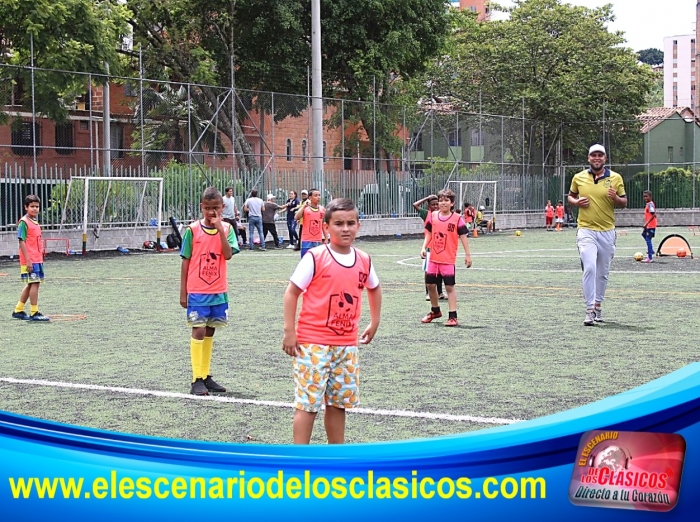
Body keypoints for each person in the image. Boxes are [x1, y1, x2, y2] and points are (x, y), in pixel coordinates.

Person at [282, 198, 381, 444]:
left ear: (358, 225)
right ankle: (300, 461)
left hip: (347, 346)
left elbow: (374, 288)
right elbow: (292, 292)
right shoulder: (315, 257)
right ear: (326, 227)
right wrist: (289, 331)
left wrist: (374, 320)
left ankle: (335, 457)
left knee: (338, 405)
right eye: (338, 223)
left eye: (350, 223)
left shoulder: (364, 259)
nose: (345, 228)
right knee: (308, 405)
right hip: (313, 345)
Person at [180, 187, 239, 395]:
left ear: (222, 208)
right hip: (197, 290)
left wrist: (220, 230)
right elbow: (186, 260)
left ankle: (206, 375)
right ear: (201, 207)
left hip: (218, 290)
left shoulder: (228, 229)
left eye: (216, 208)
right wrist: (183, 291)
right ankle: (196, 378)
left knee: (211, 330)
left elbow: (228, 254)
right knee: (198, 329)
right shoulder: (192, 230)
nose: (211, 212)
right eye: (207, 208)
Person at [568, 143, 627, 326]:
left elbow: (624, 202)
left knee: (602, 273)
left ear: (605, 159)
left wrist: (615, 198)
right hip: (586, 230)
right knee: (590, 268)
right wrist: (576, 202)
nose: (597, 158)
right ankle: (589, 310)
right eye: (593, 155)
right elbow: (570, 196)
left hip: (607, 231)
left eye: (600, 155)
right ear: (588, 158)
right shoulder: (579, 177)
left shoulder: (616, 178)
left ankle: (598, 305)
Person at [420, 188, 472, 327]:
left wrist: (467, 254)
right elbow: (429, 233)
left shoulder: (457, 219)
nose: (443, 203)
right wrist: (424, 247)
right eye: (441, 200)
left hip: (448, 260)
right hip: (433, 259)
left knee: (449, 288)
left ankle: (453, 316)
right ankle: (435, 310)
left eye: (446, 200)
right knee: (430, 285)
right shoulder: (433, 215)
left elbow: (463, 236)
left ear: (452, 203)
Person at [12, 194, 50, 321]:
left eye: (37, 206)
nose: (35, 209)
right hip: (30, 259)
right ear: (26, 207)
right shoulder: (24, 222)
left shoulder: (35, 222)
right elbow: (21, 241)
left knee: (31, 284)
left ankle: (18, 310)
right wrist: (28, 260)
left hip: (37, 258)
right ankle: (34, 312)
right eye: (32, 206)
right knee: (35, 283)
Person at [413, 195, 446, 301]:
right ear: (429, 206)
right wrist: (427, 198)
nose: (436, 206)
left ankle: (440, 292)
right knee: (428, 271)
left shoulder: (442, 215)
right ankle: (428, 293)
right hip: (429, 247)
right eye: (433, 204)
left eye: (437, 204)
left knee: (440, 271)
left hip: (441, 247)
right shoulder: (426, 214)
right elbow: (415, 205)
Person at [295, 188, 327, 258]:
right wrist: (303, 206)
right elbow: (296, 217)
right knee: (306, 261)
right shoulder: (306, 209)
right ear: (310, 198)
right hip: (307, 240)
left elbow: (323, 224)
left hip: (318, 240)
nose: (318, 197)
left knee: (318, 262)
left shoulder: (322, 209)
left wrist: (326, 237)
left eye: (319, 195)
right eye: (315, 195)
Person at [641, 190, 657, 263]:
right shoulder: (648, 204)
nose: (645, 198)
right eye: (644, 196)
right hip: (648, 225)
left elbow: (653, 214)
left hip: (651, 225)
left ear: (650, 197)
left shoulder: (650, 204)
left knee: (648, 239)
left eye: (646, 196)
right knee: (643, 234)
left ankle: (650, 258)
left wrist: (646, 223)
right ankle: (651, 250)